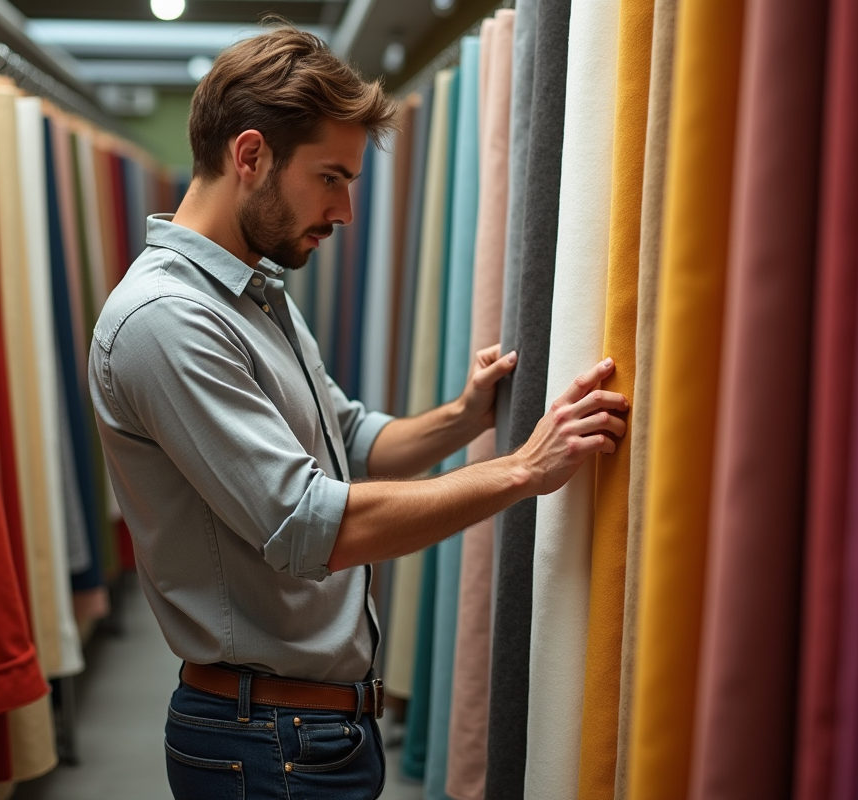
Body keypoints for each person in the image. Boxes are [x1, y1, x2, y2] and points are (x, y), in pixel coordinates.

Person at [88, 24, 628, 800]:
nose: (345, 210)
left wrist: (466, 418)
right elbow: (310, 526)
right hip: (263, 746)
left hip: (306, 734)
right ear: (250, 157)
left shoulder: (251, 292)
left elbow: (350, 440)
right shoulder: (166, 321)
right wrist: (522, 471)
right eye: (331, 177)